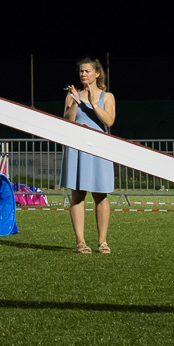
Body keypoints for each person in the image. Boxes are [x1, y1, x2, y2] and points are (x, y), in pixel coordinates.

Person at [62, 57, 116, 254]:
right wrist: (76, 102)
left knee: (101, 194)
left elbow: (109, 121)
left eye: (87, 71)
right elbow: (67, 121)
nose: (83, 74)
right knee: (78, 194)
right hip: (77, 149)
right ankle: (81, 242)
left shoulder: (107, 96)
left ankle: (102, 242)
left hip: (100, 148)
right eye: (81, 71)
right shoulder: (72, 95)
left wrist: (93, 103)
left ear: (97, 74)